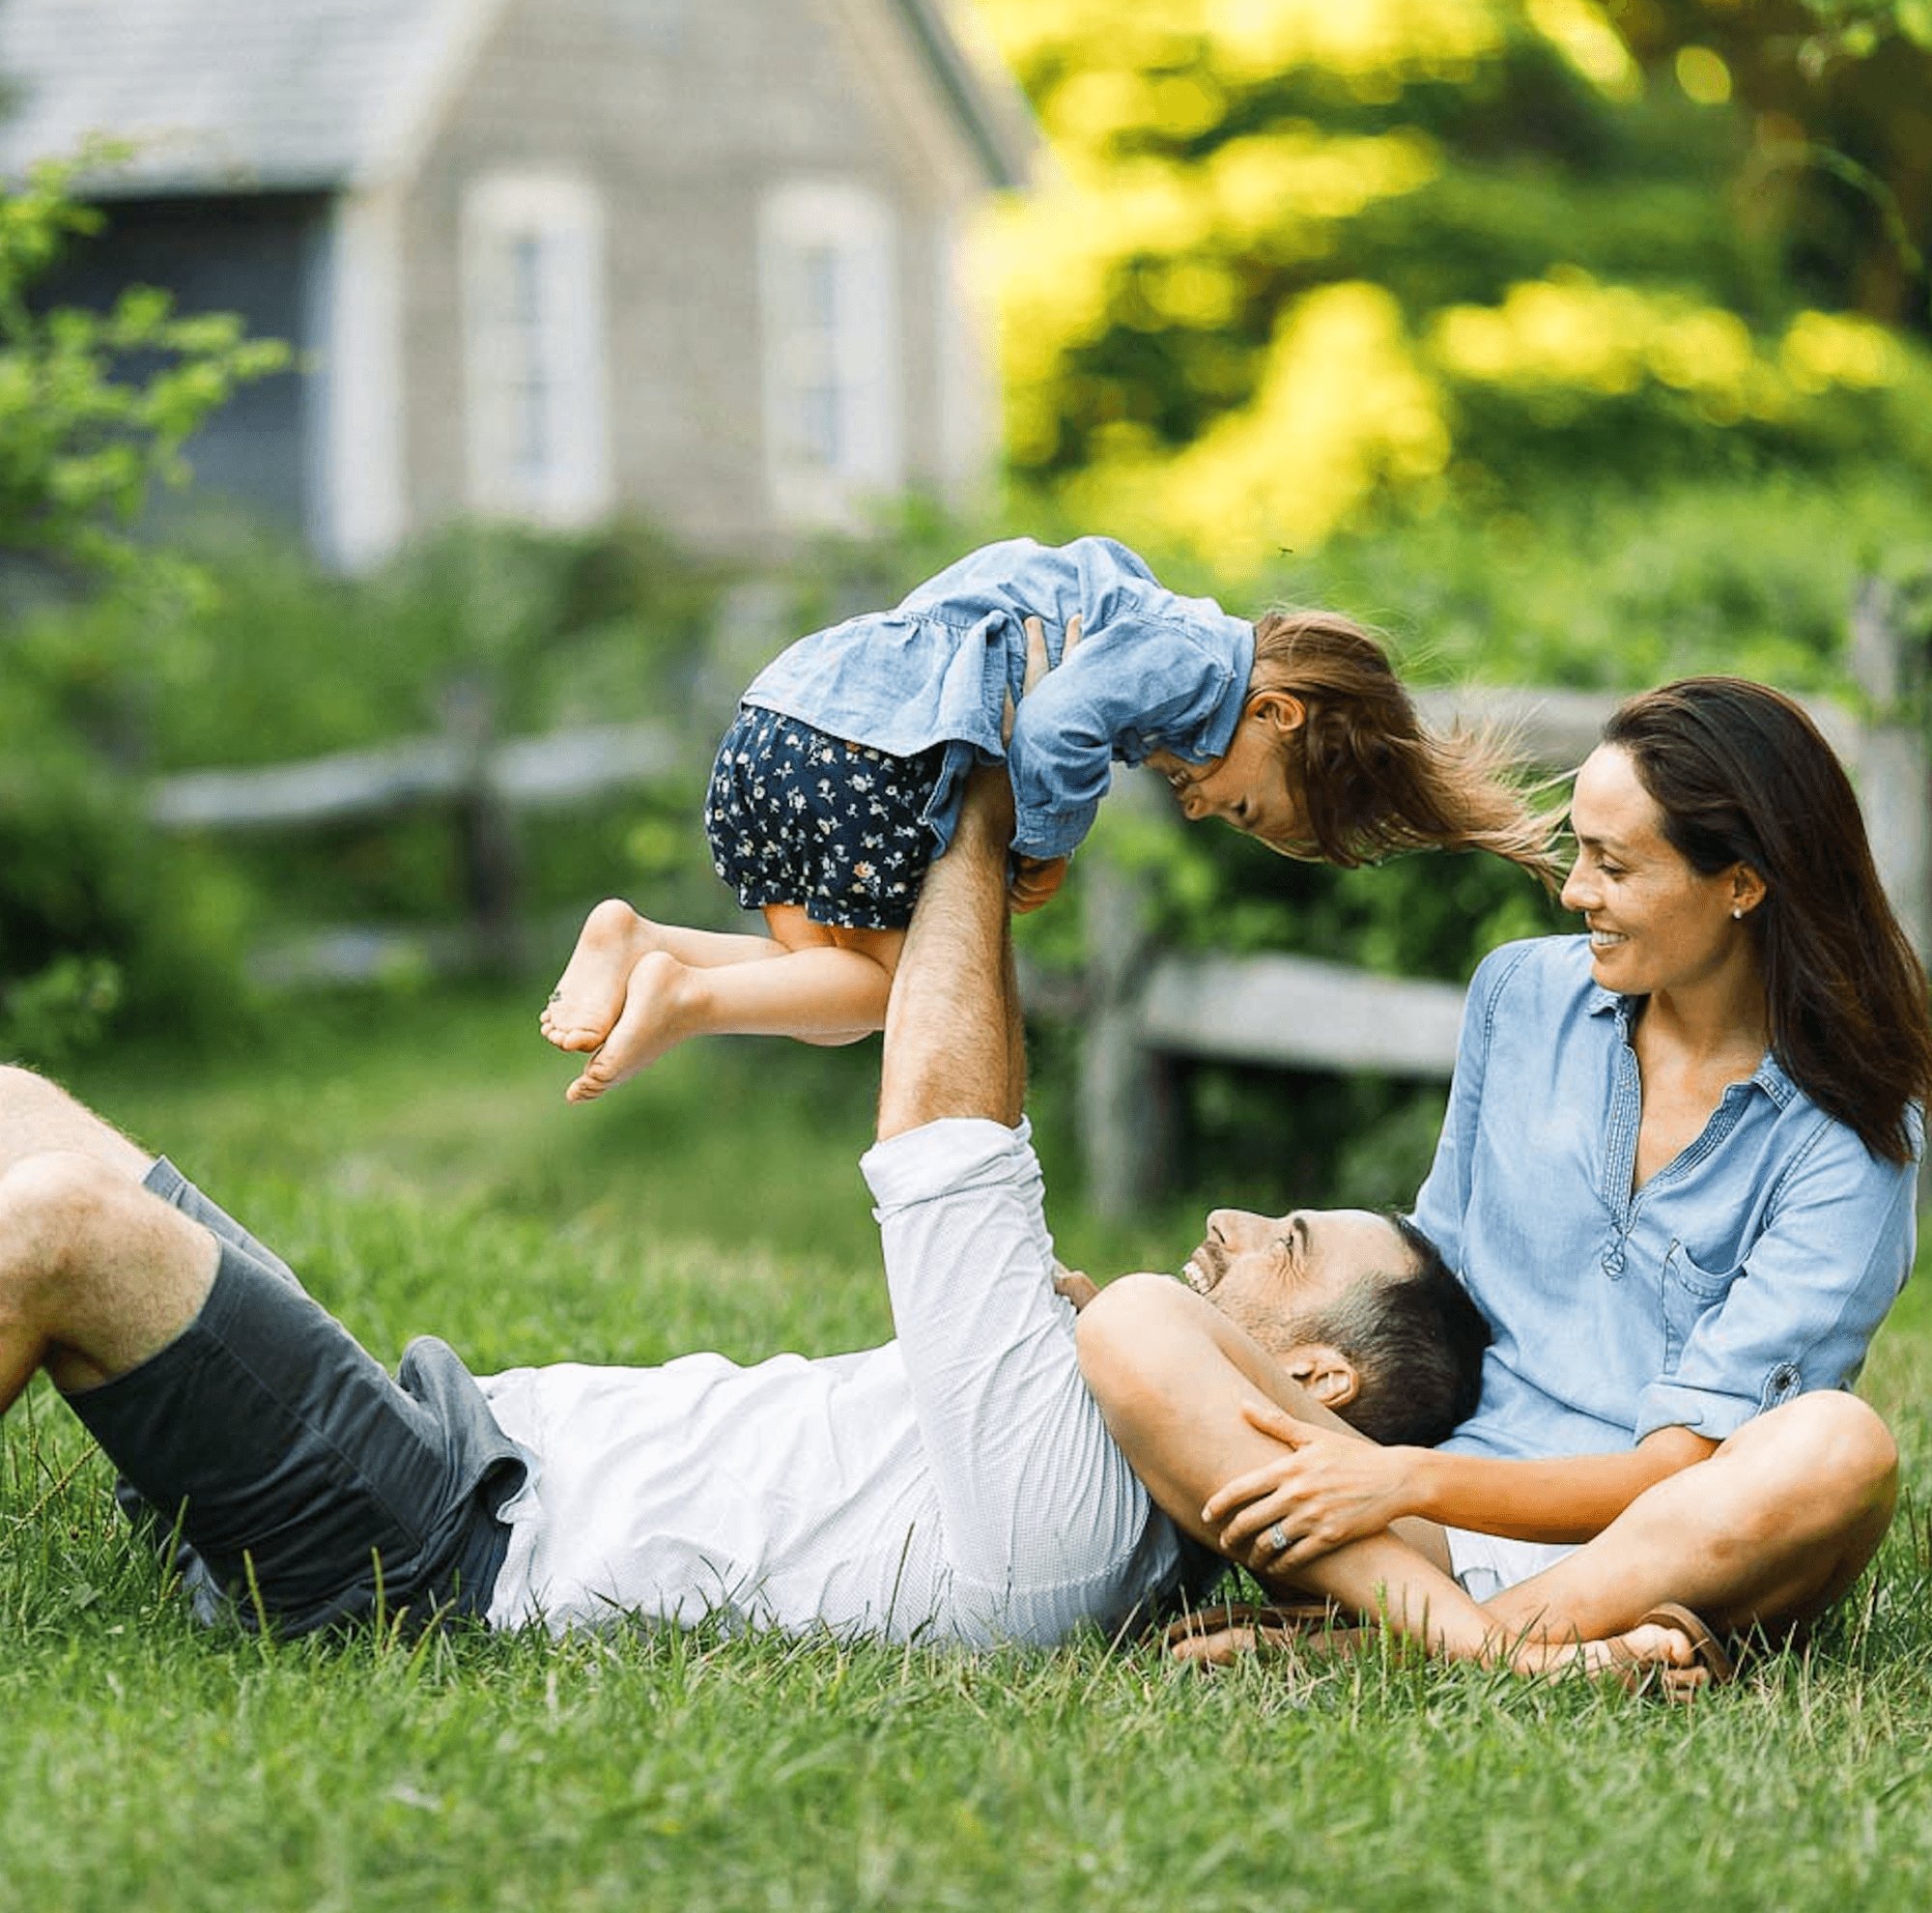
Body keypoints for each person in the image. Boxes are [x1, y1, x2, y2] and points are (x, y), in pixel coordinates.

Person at [0, 767, 1572, 1658]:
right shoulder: (1086, 1405)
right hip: (417, 1443)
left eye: (1288, 1248)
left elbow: (948, 1134)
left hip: (410, 1556)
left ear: (1316, 1384)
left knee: (60, 1220)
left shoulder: (1072, 1516)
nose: (1230, 1222)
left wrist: (976, 800)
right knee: (20, 1104)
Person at [1077, 675, 1930, 1676]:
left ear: (1740, 882)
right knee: (1130, 1318)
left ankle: (1391, 1647)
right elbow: (1435, 1281)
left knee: (1838, 1447)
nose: (1574, 890)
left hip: (1672, 1546)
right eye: (1577, 849)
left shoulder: (1848, 1138)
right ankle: (1490, 1648)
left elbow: (1676, 1470)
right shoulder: (1522, 995)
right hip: (1407, 1534)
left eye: (1611, 864)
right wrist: (1232, 1342)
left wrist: (1399, 1480)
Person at [540, 533, 1561, 1100]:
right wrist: (1043, 841)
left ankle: (638, 944)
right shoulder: (1190, 654)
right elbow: (1060, 722)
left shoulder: (1119, 602)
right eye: (1242, 801)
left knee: (838, 1001)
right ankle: (682, 999)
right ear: (1276, 712)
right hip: (861, 749)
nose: (1204, 808)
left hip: (783, 718)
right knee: (881, 998)